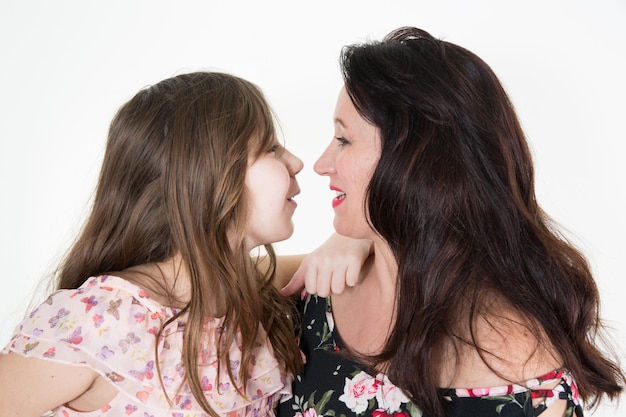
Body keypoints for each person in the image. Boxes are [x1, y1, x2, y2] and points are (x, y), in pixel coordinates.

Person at [278, 27, 625, 417]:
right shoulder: (318, 291)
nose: (321, 164)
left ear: (414, 164)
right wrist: (357, 239)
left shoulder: (520, 378)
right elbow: (204, 277)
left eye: (344, 140)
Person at [0, 71, 309, 417]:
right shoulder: (107, 317)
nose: (296, 162)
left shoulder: (238, 292)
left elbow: (313, 265)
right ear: (205, 174)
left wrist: (352, 242)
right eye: (270, 147)